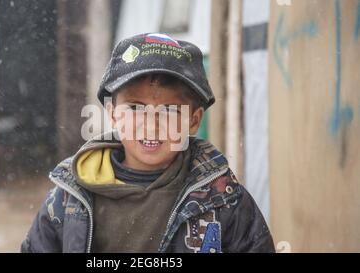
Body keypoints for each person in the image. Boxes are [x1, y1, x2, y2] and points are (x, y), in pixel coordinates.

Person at [21, 33, 275, 253]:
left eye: (169, 110)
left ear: (194, 121)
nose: (151, 125)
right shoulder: (69, 197)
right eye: (135, 107)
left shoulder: (222, 197)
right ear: (112, 114)